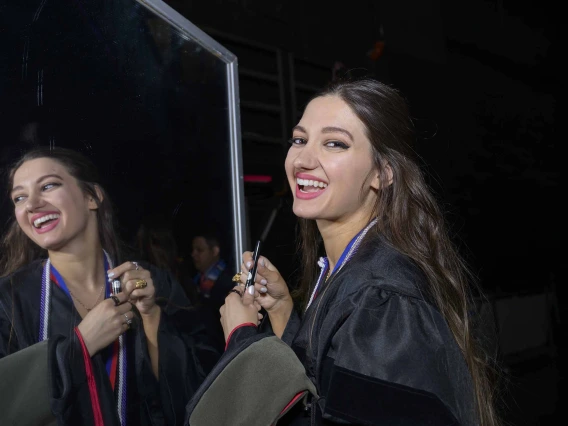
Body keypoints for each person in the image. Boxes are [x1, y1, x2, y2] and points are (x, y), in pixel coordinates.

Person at [210, 78, 501, 425]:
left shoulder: (384, 301)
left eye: (334, 143)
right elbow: (326, 390)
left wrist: (242, 339)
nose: (302, 159)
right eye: (299, 140)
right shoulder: (348, 269)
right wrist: (284, 311)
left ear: (383, 173)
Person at [0, 147, 219, 425]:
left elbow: (198, 390)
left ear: (92, 197)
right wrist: (81, 344)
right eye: (19, 197)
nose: (31, 204)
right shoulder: (9, 300)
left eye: (48, 185)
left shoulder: (153, 282)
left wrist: (152, 317)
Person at [190, 233, 237, 351]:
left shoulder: (231, 280)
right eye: (193, 250)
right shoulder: (196, 280)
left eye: (199, 250)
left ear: (215, 251)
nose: (193, 254)